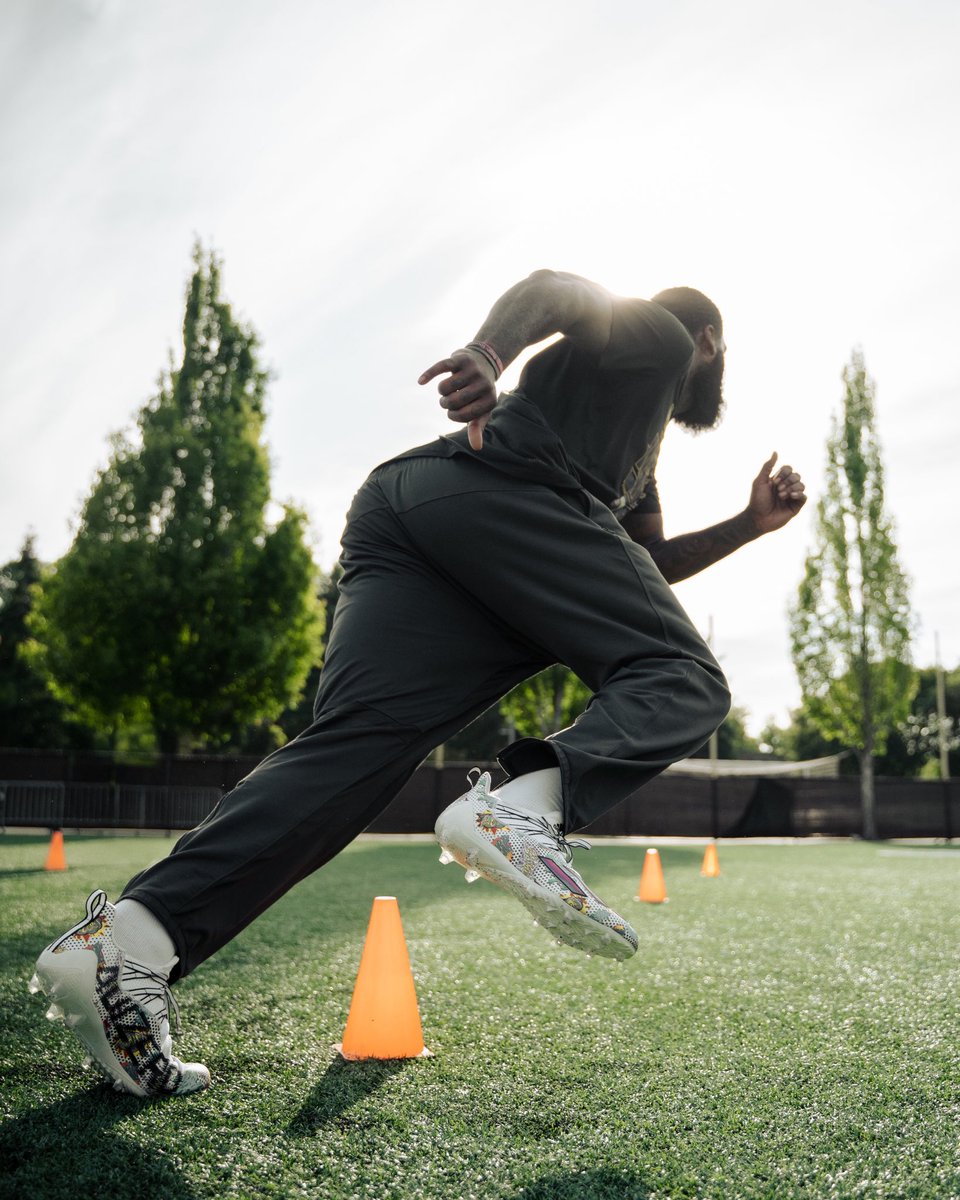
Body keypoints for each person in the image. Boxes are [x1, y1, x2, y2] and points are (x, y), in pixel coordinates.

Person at [32, 270, 807, 1097]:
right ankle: (520, 808)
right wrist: (488, 351)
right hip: (502, 504)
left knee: (355, 753)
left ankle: (131, 944)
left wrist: (748, 526)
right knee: (684, 677)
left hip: (409, 510)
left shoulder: (633, 455)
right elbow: (561, 292)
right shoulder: (663, 335)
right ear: (711, 345)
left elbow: (642, 566)